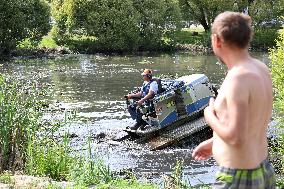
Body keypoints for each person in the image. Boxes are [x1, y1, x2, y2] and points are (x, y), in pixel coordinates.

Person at [192, 12, 276, 188]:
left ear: (216, 40)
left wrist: (209, 116)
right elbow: (254, 123)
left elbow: (236, 138)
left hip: (238, 177)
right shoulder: (260, 69)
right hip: (263, 170)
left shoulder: (238, 79)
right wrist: (214, 142)